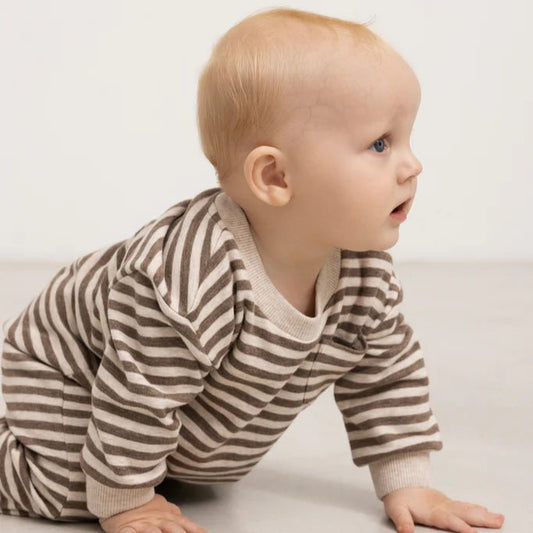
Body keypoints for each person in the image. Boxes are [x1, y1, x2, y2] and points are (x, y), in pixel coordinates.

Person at [0, 7, 505, 533]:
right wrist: (127, 500)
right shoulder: (189, 279)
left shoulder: (364, 276)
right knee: (77, 491)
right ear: (275, 177)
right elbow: (138, 390)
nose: (413, 165)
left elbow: (387, 375)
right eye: (380, 144)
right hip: (69, 367)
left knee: (181, 474)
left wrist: (409, 482)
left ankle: (142, 468)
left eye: (406, 139)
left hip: (154, 406)